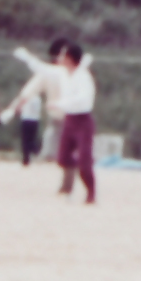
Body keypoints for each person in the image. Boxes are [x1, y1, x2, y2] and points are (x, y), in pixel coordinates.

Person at [2, 39, 73, 164]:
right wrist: (12, 110)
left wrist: (27, 57)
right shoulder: (47, 74)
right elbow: (27, 93)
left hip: (74, 122)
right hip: (56, 122)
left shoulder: (76, 73)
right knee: (52, 158)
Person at [55, 43, 98, 204]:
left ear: (70, 59)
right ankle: (68, 186)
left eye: (62, 56)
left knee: (84, 162)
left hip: (83, 121)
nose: (59, 59)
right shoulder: (63, 74)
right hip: (69, 119)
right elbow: (44, 69)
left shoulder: (84, 77)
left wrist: (61, 104)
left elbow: (83, 100)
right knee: (62, 157)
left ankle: (91, 192)